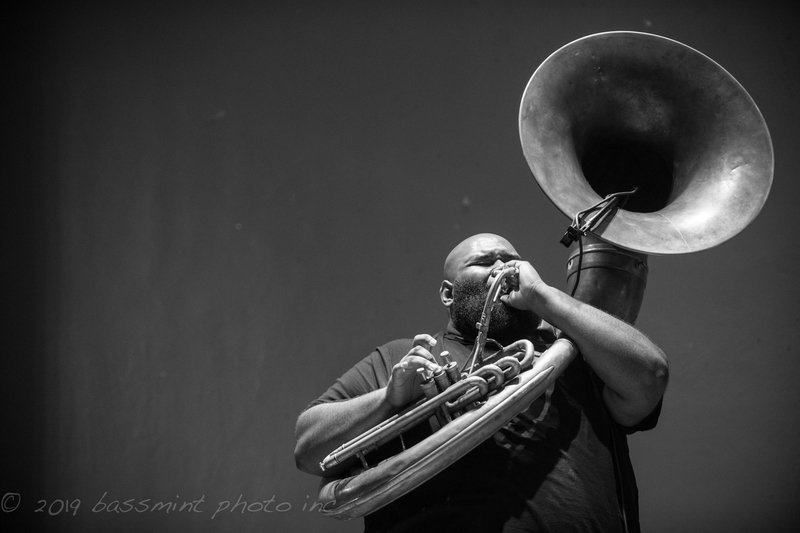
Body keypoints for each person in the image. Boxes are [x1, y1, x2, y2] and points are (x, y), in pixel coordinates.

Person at [294, 233, 668, 533]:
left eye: (511, 261)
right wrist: (387, 400)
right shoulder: (404, 356)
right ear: (448, 293)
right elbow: (309, 450)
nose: (504, 268)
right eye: (485, 262)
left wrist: (543, 297)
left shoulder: (572, 347)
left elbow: (650, 377)